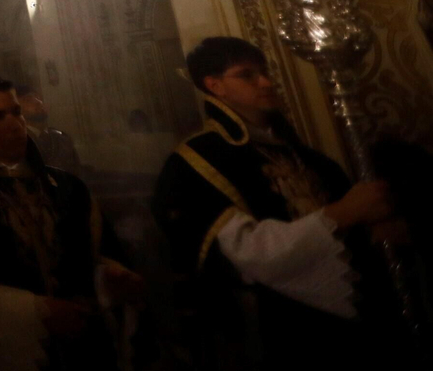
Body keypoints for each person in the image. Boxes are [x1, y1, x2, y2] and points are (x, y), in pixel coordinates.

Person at [151, 37, 405, 367]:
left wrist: (377, 231)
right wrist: (341, 215)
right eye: (247, 75)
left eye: (265, 71)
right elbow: (247, 253)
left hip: (365, 321)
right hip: (281, 330)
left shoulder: (309, 158)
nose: (266, 82)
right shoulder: (197, 163)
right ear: (215, 86)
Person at [0, 74, 143, 371]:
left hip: (85, 347)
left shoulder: (69, 187)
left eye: (16, 112)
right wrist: (34, 313)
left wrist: (110, 279)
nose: (15, 123)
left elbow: (92, 260)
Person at [16, 85, 81, 173]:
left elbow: (77, 172)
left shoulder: (62, 138)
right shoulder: (19, 142)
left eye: (38, 97)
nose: (38, 102)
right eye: (28, 100)